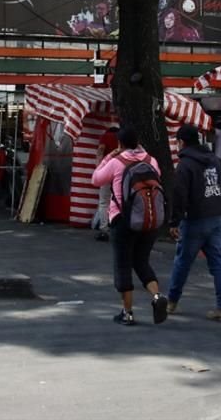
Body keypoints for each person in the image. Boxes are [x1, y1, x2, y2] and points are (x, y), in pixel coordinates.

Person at [91, 126, 169, 326]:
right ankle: (157, 296)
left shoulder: (117, 162)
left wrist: (109, 157)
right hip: (148, 220)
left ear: (120, 143)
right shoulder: (151, 161)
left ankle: (127, 313)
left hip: (123, 220)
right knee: (141, 261)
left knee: (123, 265)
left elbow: (96, 179)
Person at [166, 124, 221, 322]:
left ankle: (171, 302)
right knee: (217, 264)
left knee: (182, 263)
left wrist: (174, 221)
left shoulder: (185, 165)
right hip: (216, 218)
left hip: (194, 220)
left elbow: (179, 195)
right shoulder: (216, 160)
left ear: (182, 142)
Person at [91, 126, 119, 241]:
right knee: (118, 200)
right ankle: (117, 227)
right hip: (120, 171)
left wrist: (98, 165)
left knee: (104, 201)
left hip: (107, 170)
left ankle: (104, 229)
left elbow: (101, 149)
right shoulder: (121, 137)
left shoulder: (105, 136)